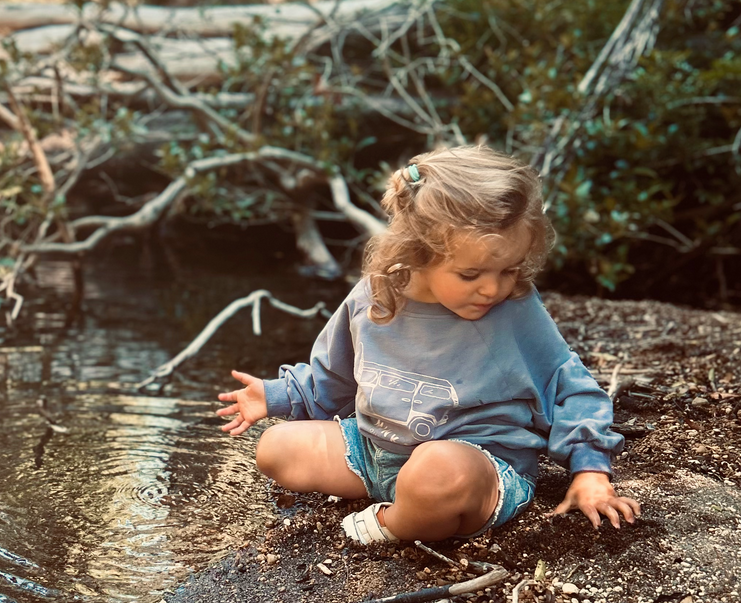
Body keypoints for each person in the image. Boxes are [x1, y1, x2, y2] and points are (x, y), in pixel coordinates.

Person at [216, 145, 641, 544]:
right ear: (419, 253)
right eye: (471, 274)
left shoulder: (513, 309)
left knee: (435, 471)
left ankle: (394, 522)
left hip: (476, 467)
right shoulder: (375, 297)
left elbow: (568, 385)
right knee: (275, 448)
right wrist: (275, 396)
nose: (492, 288)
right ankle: (405, 500)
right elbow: (335, 378)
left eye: (510, 269)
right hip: (374, 453)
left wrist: (590, 470)